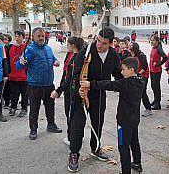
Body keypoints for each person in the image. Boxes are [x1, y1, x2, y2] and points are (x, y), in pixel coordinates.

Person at [67, 28, 122, 172]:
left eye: (104, 43)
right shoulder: (86, 51)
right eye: (98, 40)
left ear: (111, 44)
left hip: (99, 94)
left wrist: (129, 81)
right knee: (77, 125)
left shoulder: (113, 55)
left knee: (97, 123)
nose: (99, 45)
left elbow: (118, 74)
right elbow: (75, 74)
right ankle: (74, 153)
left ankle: (95, 147)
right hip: (82, 94)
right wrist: (77, 89)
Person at [80, 57, 144, 174]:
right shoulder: (140, 80)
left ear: (131, 70)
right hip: (134, 120)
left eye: (123, 69)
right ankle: (137, 164)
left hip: (123, 122)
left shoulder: (126, 83)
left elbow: (108, 84)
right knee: (134, 141)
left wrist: (90, 84)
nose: (121, 72)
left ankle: (126, 171)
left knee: (123, 146)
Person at [16, 27, 62, 139]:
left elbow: (52, 58)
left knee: (50, 106)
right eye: (39, 36)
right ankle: (33, 129)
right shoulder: (30, 50)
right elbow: (19, 65)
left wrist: (55, 61)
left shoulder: (48, 48)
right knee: (34, 108)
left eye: (42, 36)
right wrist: (21, 62)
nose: (41, 38)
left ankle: (51, 125)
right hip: (35, 85)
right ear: (33, 37)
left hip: (49, 84)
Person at [51, 36, 85, 146]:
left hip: (72, 89)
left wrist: (58, 90)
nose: (67, 46)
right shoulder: (71, 55)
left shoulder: (77, 58)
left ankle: (72, 138)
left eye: (68, 44)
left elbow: (69, 77)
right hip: (69, 88)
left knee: (72, 114)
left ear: (73, 45)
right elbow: (65, 74)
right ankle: (74, 136)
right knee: (71, 113)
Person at [6, 30, 28, 117]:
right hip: (13, 76)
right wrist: (7, 72)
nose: (17, 38)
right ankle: (13, 107)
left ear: (23, 37)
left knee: (24, 94)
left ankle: (24, 108)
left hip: (24, 76)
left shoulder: (26, 47)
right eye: (16, 36)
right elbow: (6, 60)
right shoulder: (9, 47)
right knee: (14, 93)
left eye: (19, 36)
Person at [129, 42, 152, 117]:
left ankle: (148, 108)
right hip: (135, 75)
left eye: (130, 45)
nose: (128, 46)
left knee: (142, 92)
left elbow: (145, 67)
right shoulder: (130, 54)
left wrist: (138, 74)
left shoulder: (141, 55)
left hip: (143, 75)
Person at [149, 35, 168, 110]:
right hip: (152, 70)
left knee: (156, 86)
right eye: (151, 40)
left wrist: (158, 64)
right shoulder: (153, 48)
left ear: (157, 41)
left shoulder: (159, 48)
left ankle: (158, 104)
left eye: (153, 40)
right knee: (153, 86)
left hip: (157, 71)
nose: (152, 42)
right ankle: (155, 100)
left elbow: (165, 57)